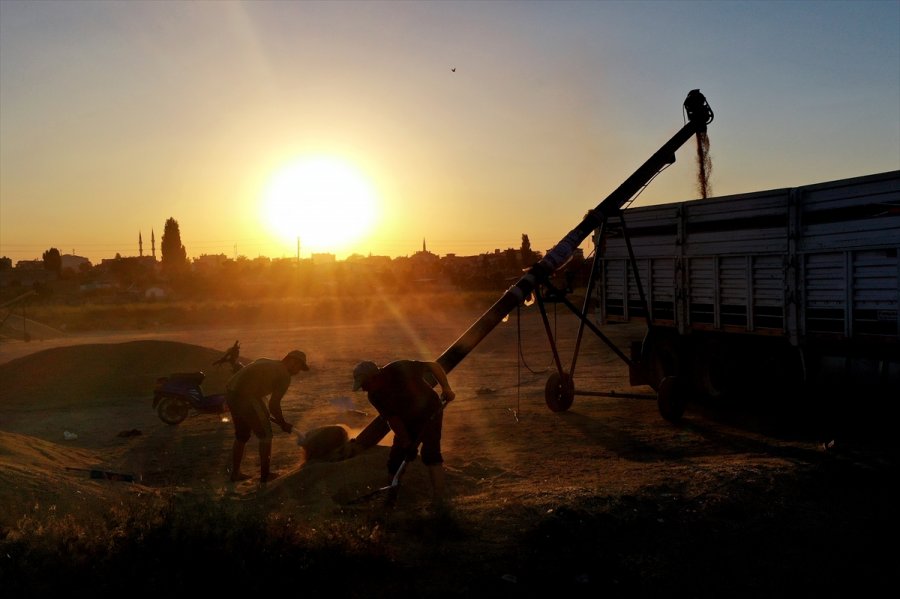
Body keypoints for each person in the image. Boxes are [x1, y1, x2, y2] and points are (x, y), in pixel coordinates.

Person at [352, 359, 455, 506]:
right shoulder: (374, 396)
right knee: (396, 458)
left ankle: (439, 499)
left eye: (365, 384)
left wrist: (446, 388)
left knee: (430, 453)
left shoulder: (400, 368)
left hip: (430, 411)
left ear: (374, 377)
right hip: (406, 419)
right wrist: (406, 442)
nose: (363, 389)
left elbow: (433, 366)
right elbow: (393, 420)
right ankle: (391, 497)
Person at [225, 349, 309, 484]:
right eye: (299, 367)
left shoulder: (265, 360)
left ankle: (235, 474)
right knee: (266, 435)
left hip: (231, 393)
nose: (298, 371)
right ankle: (265, 476)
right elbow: (274, 405)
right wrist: (283, 423)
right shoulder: (284, 375)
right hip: (246, 397)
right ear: (292, 361)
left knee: (242, 435)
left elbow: (253, 381)